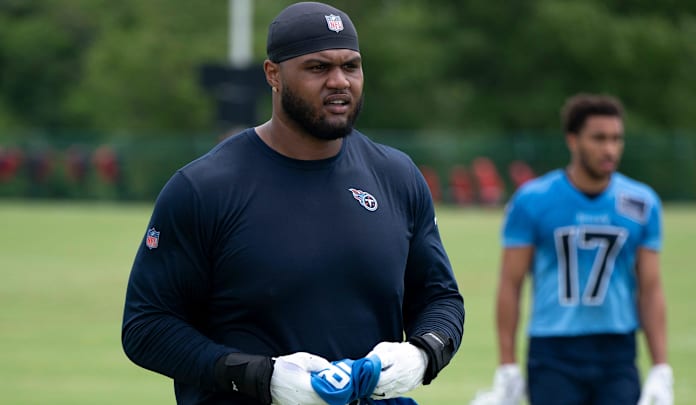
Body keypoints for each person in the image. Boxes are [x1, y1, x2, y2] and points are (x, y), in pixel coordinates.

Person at [121, 2, 464, 405]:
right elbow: (147, 327)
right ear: (273, 75)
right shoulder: (203, 188)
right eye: (318, 68)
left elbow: (440, 298)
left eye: (350, 66)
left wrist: (422, 354)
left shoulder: (396, 175)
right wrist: (261, 377)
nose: (340, 81)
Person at [473, 93, 672, 405]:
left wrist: (661, 367)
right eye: (598, 138)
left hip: (617, 349)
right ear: (573, 140)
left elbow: (650, 289)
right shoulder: (533, 199)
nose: (609, 149)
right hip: (554, 350)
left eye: (616, 138)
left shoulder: (641, 202)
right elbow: (511, 284)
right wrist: (507, 364)